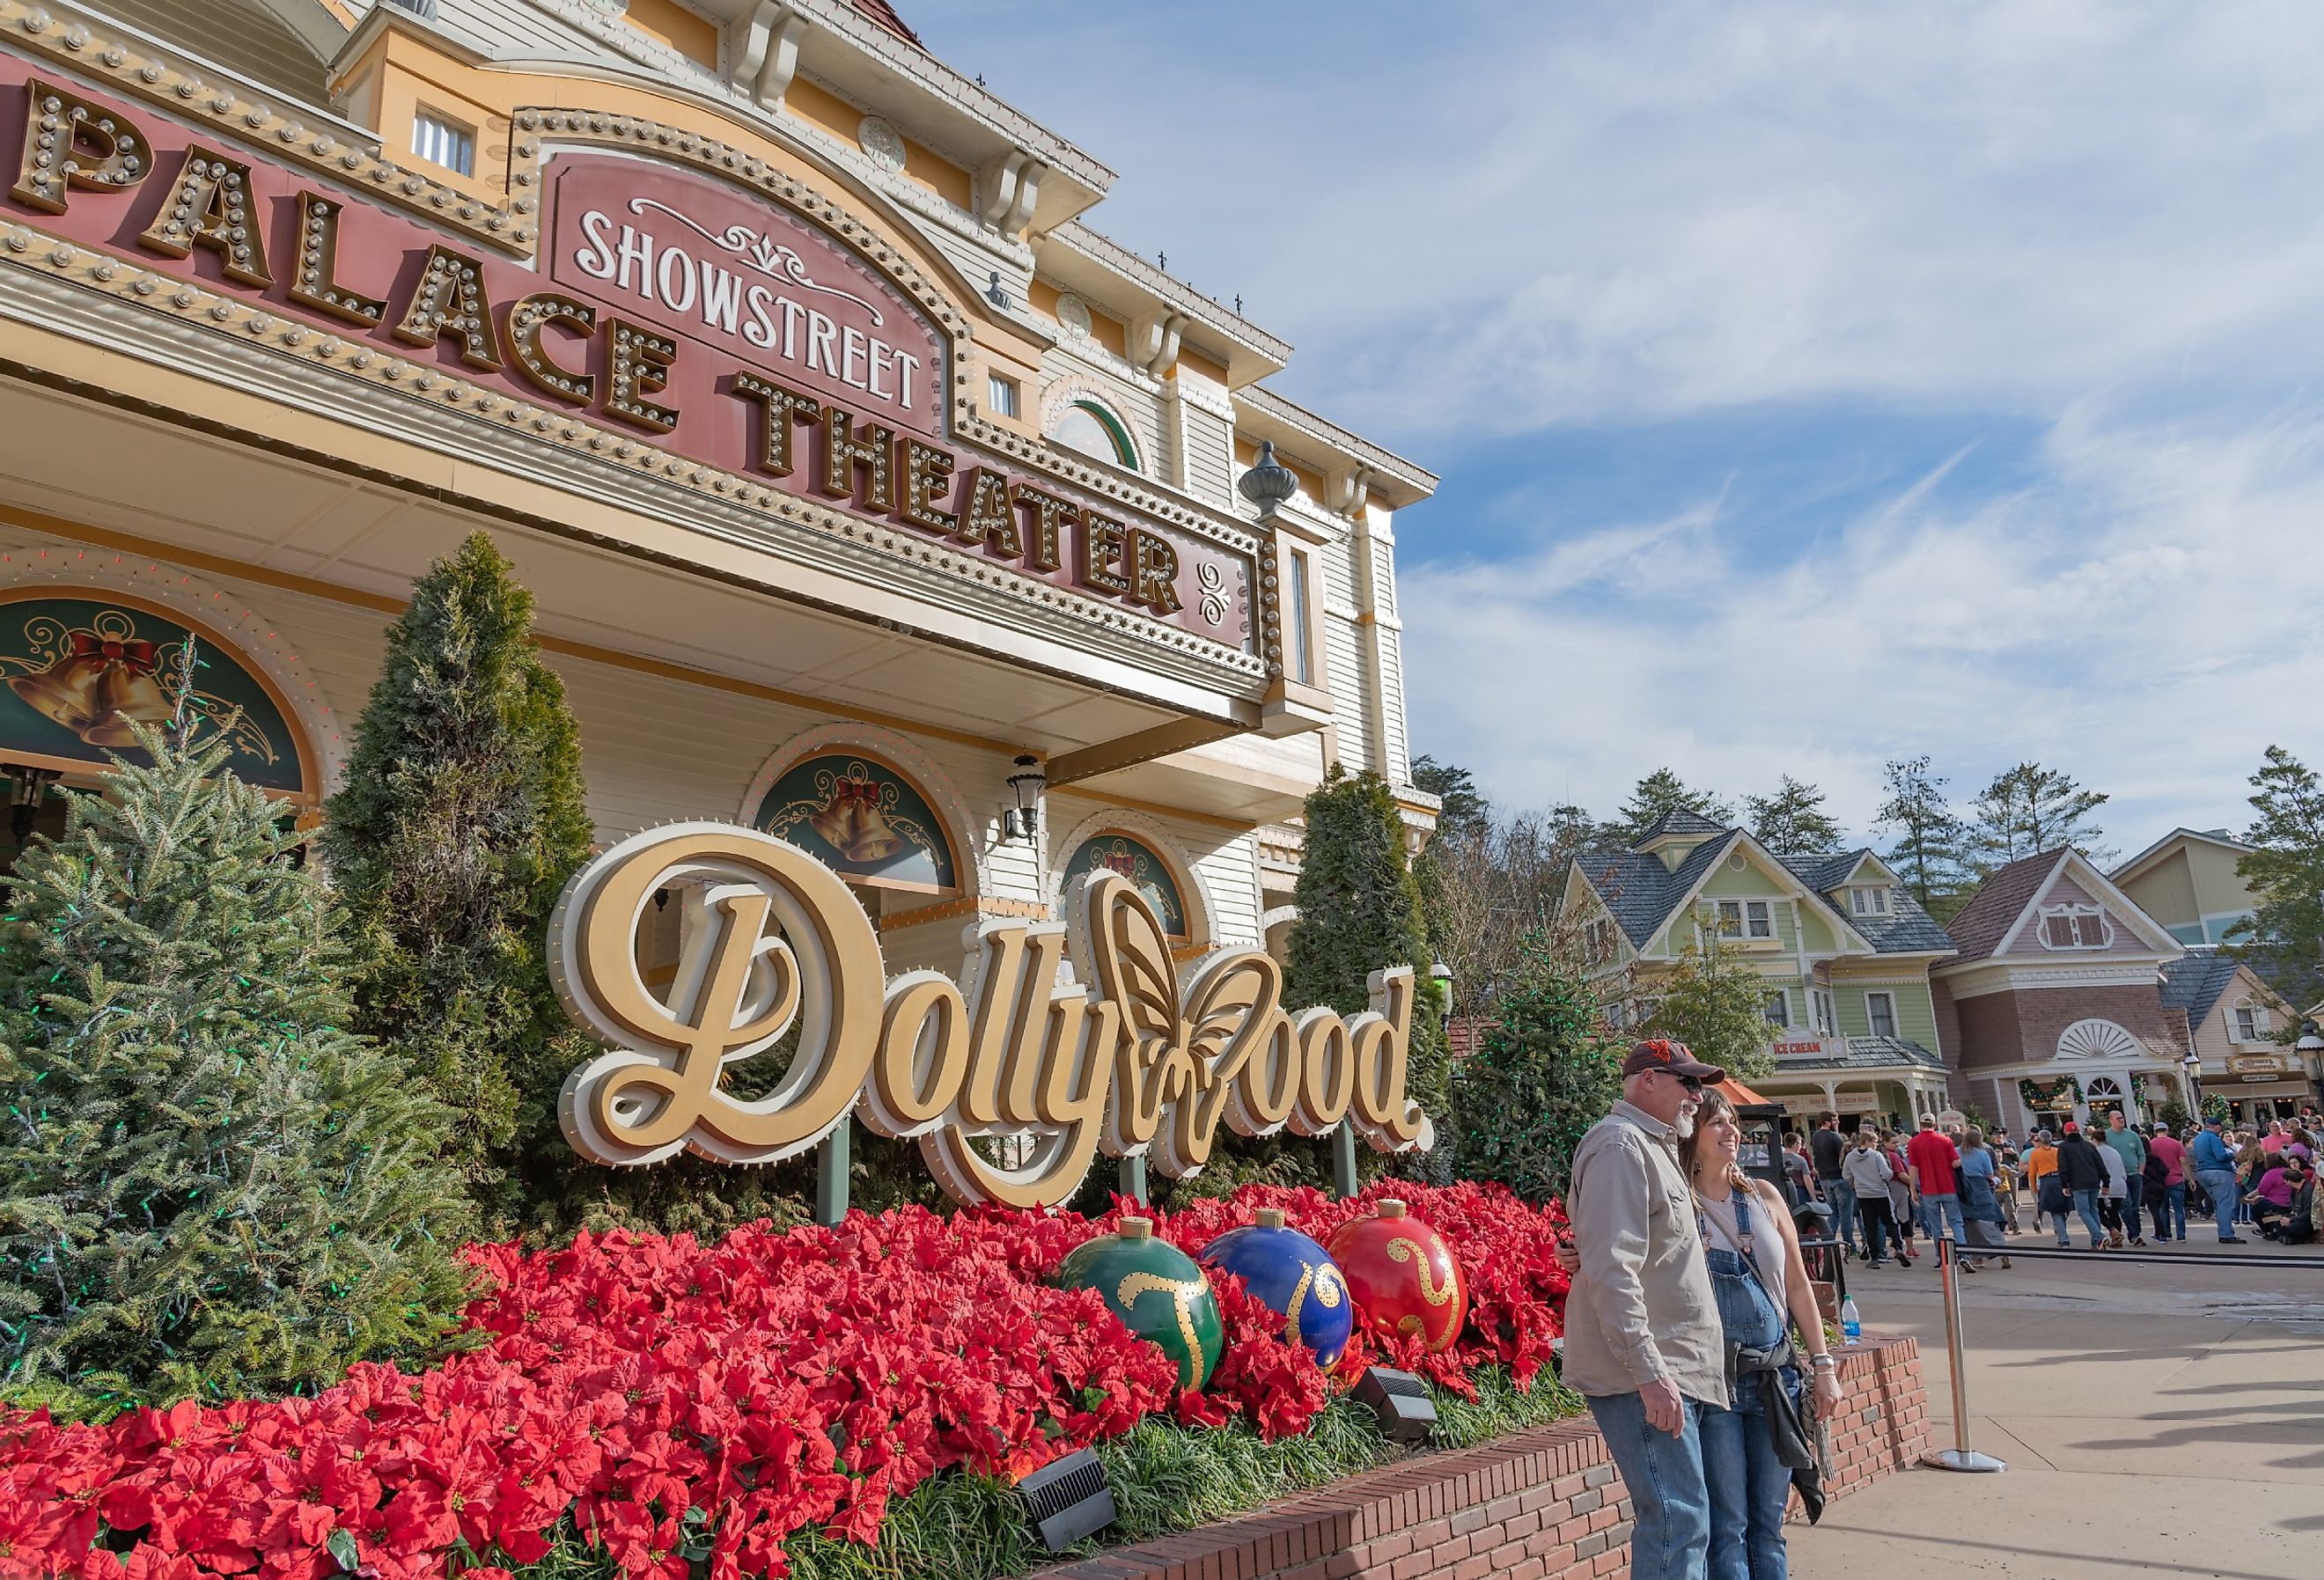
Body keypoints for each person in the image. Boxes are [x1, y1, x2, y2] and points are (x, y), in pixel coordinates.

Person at [1565, 1039, 1729, 1580]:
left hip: (1674, 1371)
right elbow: (1614, 1271)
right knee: (1676, 1522)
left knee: (1685, 1521)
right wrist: (1650, 1372)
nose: (1697, 1096)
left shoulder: (1651, 1146)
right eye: (1688, 1082)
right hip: (1650, 1375)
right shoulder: (1621, 1146)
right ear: (1648, 1081)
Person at [1683, 1090, 1844, 1580]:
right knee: (1727, 1523)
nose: (1731, 1131)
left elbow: (1797, 1285)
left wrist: (1824, 1367)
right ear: (1691, 1134)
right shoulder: (1678, 1205)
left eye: (1732, 1122)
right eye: (1716, 1123)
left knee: (1769, 1524)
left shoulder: (1764, 1196)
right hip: (1716, 1387)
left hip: (1776, 1379)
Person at [1905, 1114, 1969, 1258]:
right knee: (1956, 1222)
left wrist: (1912, 1189)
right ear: (1934, 1125)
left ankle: (1943, 1258)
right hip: (1948, 1186)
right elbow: (1955, 1163)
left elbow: (1913, 1167)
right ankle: (1964, 1255)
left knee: (1936, 1226)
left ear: (1920, 1125)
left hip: (1928, 1189)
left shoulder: (1914, 1143)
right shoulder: (1946, 1141)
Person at [1842, 1129, 1908, 1266]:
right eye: (1875, 1142)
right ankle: (1898, 1246)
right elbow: (1886, 1174)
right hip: (1880, 1192)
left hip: (1863, 1195)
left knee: (1870, 1225)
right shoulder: (1876, 1156)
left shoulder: (1850, 1157)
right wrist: (1884, 1177)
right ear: (1868, 1142)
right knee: (1890, 1221)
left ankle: (1874, 1256)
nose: (1877, 1145)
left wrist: (1855, 1184)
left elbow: (1846, 1175)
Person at [1809, 1112, 1860, 1259]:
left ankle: (1827, 1243)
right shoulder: (1834, 1137)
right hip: (1839, 1177)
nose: (1837, 1122)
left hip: (1824, 1178)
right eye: (1834, 1120)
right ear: (1827, 1122)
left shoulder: (1816, 1136)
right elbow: (1844, 1157)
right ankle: (1850, 1245)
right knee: (1845, 1214)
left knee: (1833, 1212)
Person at [1957, 1128, 2010, 1268]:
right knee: (1990, 1219)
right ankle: (2001, 1248)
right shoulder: (1982, 1153)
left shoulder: (1956, 1152)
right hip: (1981, 1188)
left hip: (1963, 1189)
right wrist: (1995, 1181)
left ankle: (1977, 1257)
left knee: (1969, 1224)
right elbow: (1989, 1174)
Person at [2190, 1115, 2246, 1245]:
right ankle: (2226, 1234)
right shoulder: (2213, 1138)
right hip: (2219, 1172)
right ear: (2217, 1126)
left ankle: (2224, 1232)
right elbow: (2220, 1156)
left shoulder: (2198, 1138)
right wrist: (2234, 1154)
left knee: (2219, 1203)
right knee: (2224, 1204)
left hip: (2203, 1172)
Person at [2054, 1121, 2109, 1250]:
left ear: (2066, 1132)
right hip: (2094, 1181)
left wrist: (2064, 1185)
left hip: (2078, 1183)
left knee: (2083, 1211)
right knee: (2093, 1209)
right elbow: (2100, 1164)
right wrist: (2106, 1182)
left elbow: (2063, 1168)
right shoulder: (2089, 1146)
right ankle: (2096, 1241)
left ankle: (2098, 1236)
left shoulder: (2063, 1147)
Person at [2102, 1112, 2148, 1247]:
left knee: (2135, 1206)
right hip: (2118, 1177)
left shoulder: (2132, 1136)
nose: (2121, 1120)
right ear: (2111, 1120)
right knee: (2126, 1205)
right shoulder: (2107, 1136)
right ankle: (2134, 1235)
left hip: (2134, 1175)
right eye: (2118, 1118)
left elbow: (2141, 1154)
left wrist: (2140, 1172)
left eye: (2122, 1117)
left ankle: (2135, 1234)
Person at [2147, 1122, 2188, 1242]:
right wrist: (2189, 1178)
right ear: (2167, 1130)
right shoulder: (2176, 1143)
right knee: (2179, 1209)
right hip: (2176, 1179)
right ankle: (2181, 1236)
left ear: (2155, 1132)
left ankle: (2166, 1234)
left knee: (2163, 1209)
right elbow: (2183, 1162)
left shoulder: (2151, 1144)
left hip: (2159, 1181)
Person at [1880, 1130, 1917, 1257]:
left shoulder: (1881, 1155)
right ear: (1885, 1143)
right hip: (1899, 1189)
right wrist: (1914, 1184)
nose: (1896, 1145)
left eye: (1897, 1142)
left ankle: (1896, 1246)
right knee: (1905, 1218)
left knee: (1892, 1218)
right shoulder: (1894, 1156)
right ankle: (1909, 1248)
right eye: (1893, 1142)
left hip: (1887, 1189)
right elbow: (1901, 1174)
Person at [2247, 1154, 2299, 1237]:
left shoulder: (2271, 1173)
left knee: (2255, 1209)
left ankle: (2266, 1229)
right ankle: (2274, 1225)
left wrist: (2249, 1196)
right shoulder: (2288, 1171)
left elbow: (2262, 1189)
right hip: (2290, 1203)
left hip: (2275, 1202)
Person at [2093, 1128, 2129, 1248]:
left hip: (2104, 1186)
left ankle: (2113, 1230)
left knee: (2098, 1211)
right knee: (2114, 1212)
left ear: (2094, 1140)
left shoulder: (2096, 1151)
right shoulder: (2114, 1152)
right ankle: (2117, 1238)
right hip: (2119, 1184)